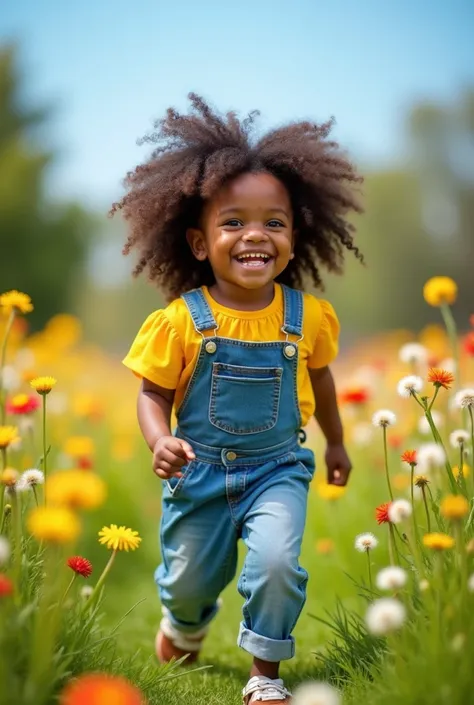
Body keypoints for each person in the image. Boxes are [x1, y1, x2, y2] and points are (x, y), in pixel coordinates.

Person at [114, 94, 363, 704]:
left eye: (273, 222)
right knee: (189, 581)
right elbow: (153, 393)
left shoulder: (307, 318)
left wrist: (334, 442)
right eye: (233, 222)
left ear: (295, 238)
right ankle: (187, 622)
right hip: (198, 473)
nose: (255, 235)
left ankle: (264, 676)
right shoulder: (179, 322)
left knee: (277, 563)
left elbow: (324, 381)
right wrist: (159, 437)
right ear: (199, 244)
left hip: (277, 468)